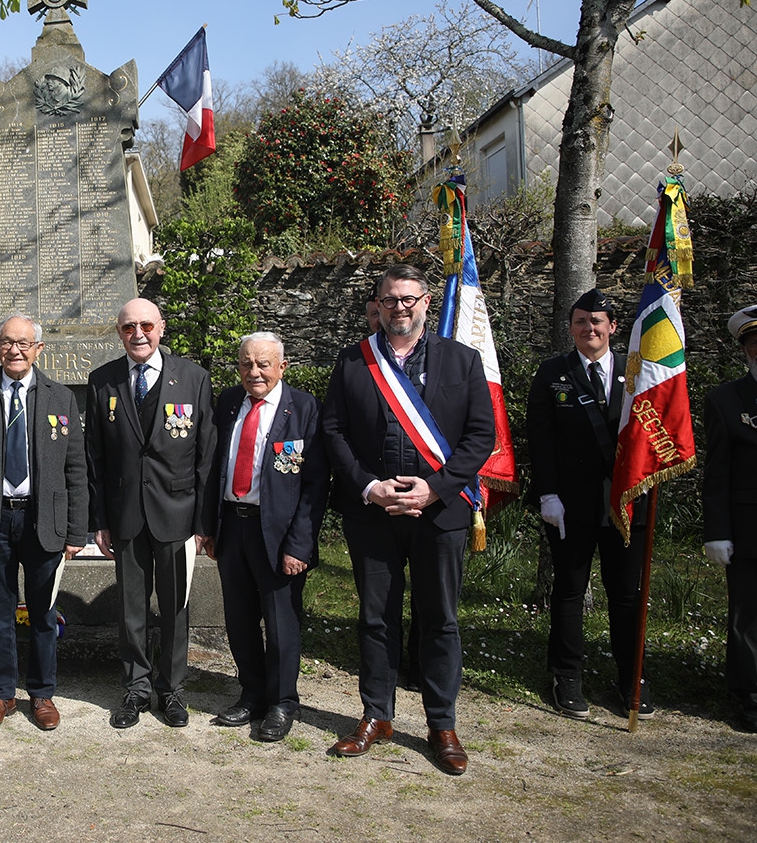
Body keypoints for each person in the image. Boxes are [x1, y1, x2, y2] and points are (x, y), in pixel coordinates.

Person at [321, 264, 494, 775]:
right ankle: (378, 715)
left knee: (439, 620)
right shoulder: (354, 361)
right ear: (378, 303)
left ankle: (441, 723)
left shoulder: (462, 361)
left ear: (426, 302)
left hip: (439, 514)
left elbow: (480, 438)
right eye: (390, 299)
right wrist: (370, 487)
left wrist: (435, 488)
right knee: (376, 618)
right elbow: (333, 432)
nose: (400, 307)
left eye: (409, 299)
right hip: (373, 513)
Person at [0, 314, 87, 731]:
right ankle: (1, 694)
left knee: (43, 613)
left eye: (24, 343)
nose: (15, 350)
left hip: (43, 520)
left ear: (38, 349)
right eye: (7, 342)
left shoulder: (61, 398)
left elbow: (75, 468)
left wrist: (76, 530)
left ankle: (42, 693)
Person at [86, 298, 216, 729]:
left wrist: (201, 524)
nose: (137, 334)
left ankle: (172, 690)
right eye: (128, 328)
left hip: (177, 513)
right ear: (118, 332)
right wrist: (100, 519)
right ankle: (136, 687)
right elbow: (96, 460)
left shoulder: (194, 378)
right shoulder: (102, 380)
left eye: (146, 325)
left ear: (161, 327)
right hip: (125, 514)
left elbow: (205, 458)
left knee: (175, 607)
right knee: (131, 609)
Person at [527, 288, 652, 720]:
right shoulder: (552, 373)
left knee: (625, 595)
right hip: (570, 505)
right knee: (568, 591)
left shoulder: (640, 375)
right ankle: (567, 676)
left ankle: (630, 677)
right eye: (581, 321)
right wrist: (547, 494)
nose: (589, 329)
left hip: (626, 504)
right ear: (571, 328)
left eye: (597, 322)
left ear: (613, 327)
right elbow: (540, 440)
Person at [203, 332, 328, 742]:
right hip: (233, 525)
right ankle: (252, 693)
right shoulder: (227, 403)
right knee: (239, 621)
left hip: (277, 532)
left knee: (280, 623)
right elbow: (212, 467)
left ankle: (281, 701)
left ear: (282, 367)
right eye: (246, 364)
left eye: (263, 364)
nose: (254, 372)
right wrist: (209, 528)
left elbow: (314, 486)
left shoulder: (304, 408)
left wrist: (299, 544)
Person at [702, 303, 757, 733]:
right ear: (746, 350)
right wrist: (717, 531)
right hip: (749, 528)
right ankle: (749, 695)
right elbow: (717, 471)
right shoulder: (726, 400)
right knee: (749, 615)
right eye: (756, 344)